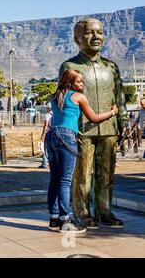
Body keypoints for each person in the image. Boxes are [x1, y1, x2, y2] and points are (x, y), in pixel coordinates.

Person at [59, 18, 127, 229]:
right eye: (89, 33)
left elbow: (120, 96)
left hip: (109, 128)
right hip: (82, 130)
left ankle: (104, 210)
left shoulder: (111, 67)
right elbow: (63, 98)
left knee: (106, 173)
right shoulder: (70, 66)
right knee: (83, 174)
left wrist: (122, 120)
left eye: (99, 32)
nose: (96, 37)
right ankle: (82, 212)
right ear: (77, 38)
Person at [46, 69, 118, 233]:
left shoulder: (55, 96)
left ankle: (54, 219)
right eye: (79, 82)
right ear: (71, 83)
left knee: (55, 180)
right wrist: (113, 112)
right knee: (65, 181)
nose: (82, 84)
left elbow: (61, 116)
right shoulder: (79, 97)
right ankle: (66, 220)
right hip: (66, 136)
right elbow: (93, 118)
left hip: (51, 136)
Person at [39, 103, 52, 168]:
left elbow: (46, 125)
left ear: (49, 108)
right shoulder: (55, 114)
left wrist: (43, 133)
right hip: (54, 132)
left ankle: (44, 163)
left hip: (48, 132)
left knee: (45, 147)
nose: (46, 109)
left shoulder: (48, 115)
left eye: (47, 108)